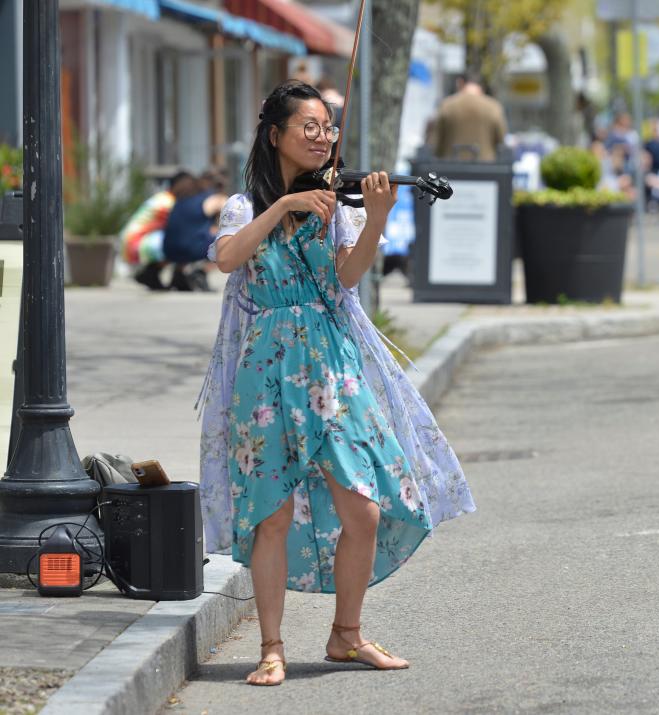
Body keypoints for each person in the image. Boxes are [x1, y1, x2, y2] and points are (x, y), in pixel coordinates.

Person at [197, 80, 474, 686]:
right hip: (266, 372)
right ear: (276, 135)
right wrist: (283, 209)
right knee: (269, 515)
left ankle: (346, 634)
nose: (324, 139)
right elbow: (226, 258)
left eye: (329, 129)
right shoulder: (246, 206)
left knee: (365, 507)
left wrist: (374, 219)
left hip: (332, 366)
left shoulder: (338, 206)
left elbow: (347, 278)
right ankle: (272, 646)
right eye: (310, 128)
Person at [121, 171, 196, 290]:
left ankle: (154, 273)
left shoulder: (164, 198)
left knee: (184, 237)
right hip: (136, 242)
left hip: (135, 240)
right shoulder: (167, 202)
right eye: (189, 185)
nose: (191, 189)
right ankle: (161, 274)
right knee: (185, 240)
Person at [162, 168, 229, 292]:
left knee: (189, 233)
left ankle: (179, 275)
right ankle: (201, 272)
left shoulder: (182, 199)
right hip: (190, 249)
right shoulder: (212, 198)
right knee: (230, 240)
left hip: (168, 250)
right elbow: (231, 212)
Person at [433, 73, 507, 161]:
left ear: (460, 83)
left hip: (450, 165)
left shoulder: (446, 105)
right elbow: (501, 140)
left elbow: (436, 140)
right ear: (482, 87)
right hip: (485, 166)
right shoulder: (493, 107)